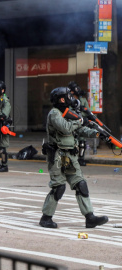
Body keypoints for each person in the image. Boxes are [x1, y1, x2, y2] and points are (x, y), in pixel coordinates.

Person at [39, 87, 108, 229]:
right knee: (59, 187)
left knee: (81, 184)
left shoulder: (70, 114)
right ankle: (46, 218)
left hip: (70, 155)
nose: (71, 98)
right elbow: (65, 127)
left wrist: (97, 133)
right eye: (68, 96)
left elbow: (80, 130)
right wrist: (80, 120)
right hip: (57, 155)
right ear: (62, 99)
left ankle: (90, 218)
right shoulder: (54, 114)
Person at [68, 81, 89, 166]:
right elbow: (67, 112)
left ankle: (81, 159)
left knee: (82, 141)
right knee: (71, 142)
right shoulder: (68, 100)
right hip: (72, 123)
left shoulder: (83, 100)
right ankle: (71, 159)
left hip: (81, 123)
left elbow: (87, 111)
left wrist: (82, 116)